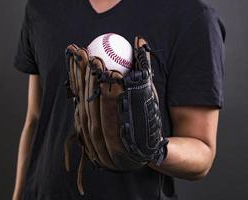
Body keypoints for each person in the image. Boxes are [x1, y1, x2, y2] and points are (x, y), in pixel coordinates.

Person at [12, 0, 226, 199]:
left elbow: (202, 152)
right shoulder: (42, 7)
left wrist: (149, 149)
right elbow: (35, 118)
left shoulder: (191, 16)